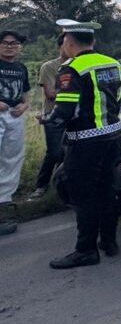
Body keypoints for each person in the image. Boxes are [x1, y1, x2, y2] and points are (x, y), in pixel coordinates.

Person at [46, 20, 121, 267]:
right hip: (113, 136)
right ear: (93, 41)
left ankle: (86, 250)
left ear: (69, 41)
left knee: (83, 196)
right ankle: (109, 241)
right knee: (107, 189)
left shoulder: (71, 69)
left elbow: (65, 110)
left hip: (86, 140)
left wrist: (50, 120)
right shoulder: (112, 63)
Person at [28, 34, 67, 200]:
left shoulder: (79, 66)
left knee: (68, 153)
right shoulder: (49, 66)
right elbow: (50, 93)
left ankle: (60, 186)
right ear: (60, 47)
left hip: (73, 115)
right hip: (53, 115)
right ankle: (41, 186)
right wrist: (76, 92)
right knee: (54, 152)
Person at [0, 30, 31, 236]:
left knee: (12, 158)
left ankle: (4, 202)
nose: (10, 46)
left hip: (14, 115)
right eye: (5, 43)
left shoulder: (21, 68)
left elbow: (25, 93)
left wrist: (25, 105)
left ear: (20, 47)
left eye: (14, 43)